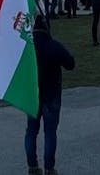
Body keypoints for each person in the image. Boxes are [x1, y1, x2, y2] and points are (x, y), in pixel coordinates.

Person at [25, 13, 76, 175]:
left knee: (31, 131)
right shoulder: (53, 45)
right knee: (50, 132)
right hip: (51, 93)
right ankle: (49, 167)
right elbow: (70, 64)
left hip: (33, 93)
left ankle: (32, 165)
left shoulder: (28, 47)